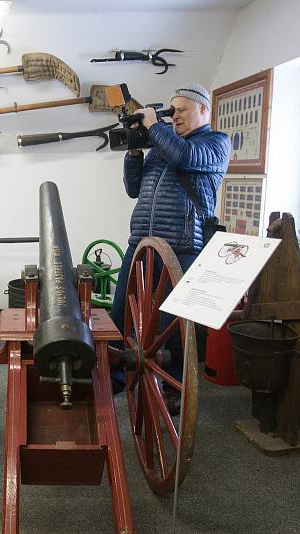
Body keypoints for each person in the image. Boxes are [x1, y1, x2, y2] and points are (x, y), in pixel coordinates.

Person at [110, 82, 231, 397]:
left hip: (181, 246)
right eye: (171, 110)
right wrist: (135, 151)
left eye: (181, 110)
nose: (174, 116)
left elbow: (183, 157)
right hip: (141, 242)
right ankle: (114, 377)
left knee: (171, 325)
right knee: (120, 311)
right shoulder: (165, 145)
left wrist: (154, 126)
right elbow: (133, 188)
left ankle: (173, 388)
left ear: (204, 109)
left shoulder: (216, 143)